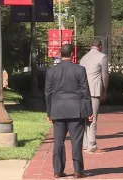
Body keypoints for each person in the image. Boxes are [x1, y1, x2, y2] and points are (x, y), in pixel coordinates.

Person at [45, 44, 93, 179]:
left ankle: (57, 170)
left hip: (58, 109)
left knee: (58, 141)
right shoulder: (80, 70)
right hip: (76, 110)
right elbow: (85, 91)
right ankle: (78, 171)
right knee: (76, 141)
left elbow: (48, 93)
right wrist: (89, 111)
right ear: (72, 54)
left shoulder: (51, 71)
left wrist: (49, 112)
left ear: (60, 54)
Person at [80, 39, 109, 154]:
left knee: (85, 118)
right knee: (93, 118)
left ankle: (85, 143)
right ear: (100, 47)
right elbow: (105, 75)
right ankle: (92, 145)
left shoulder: (83, 58)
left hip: (82, 92)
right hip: (94, 91)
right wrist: (105, 90)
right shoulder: (102, 57)